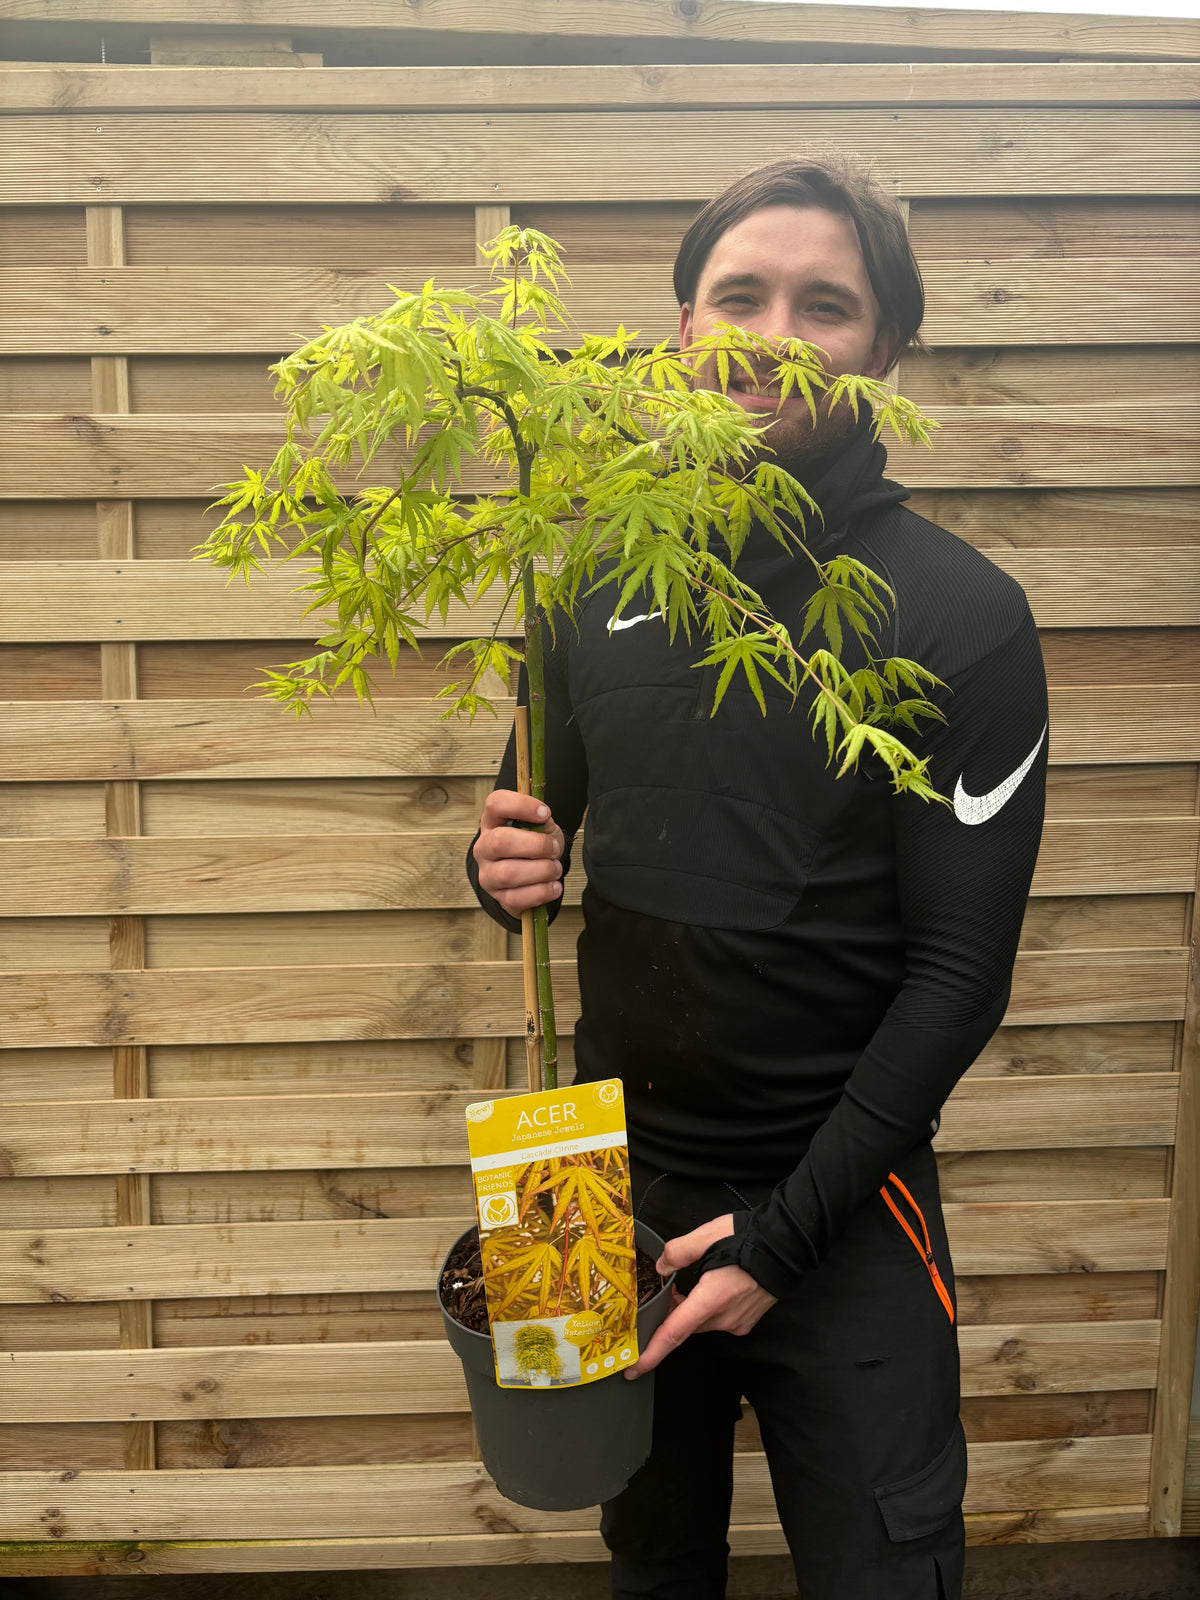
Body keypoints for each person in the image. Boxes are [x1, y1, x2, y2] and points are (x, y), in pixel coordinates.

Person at [467, 153, 1048, 1600]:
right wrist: (496, 866)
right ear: (679, 326)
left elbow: (962, 973)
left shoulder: (964, 613)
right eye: (738, 294)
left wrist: (787, 1230)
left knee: (884, 1569)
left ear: (887, 353)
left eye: (826, 305)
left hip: (842, 1202)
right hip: (597, 1180)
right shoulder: (589, 566)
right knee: (642, 1551)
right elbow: (529, 834)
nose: (771, 334)